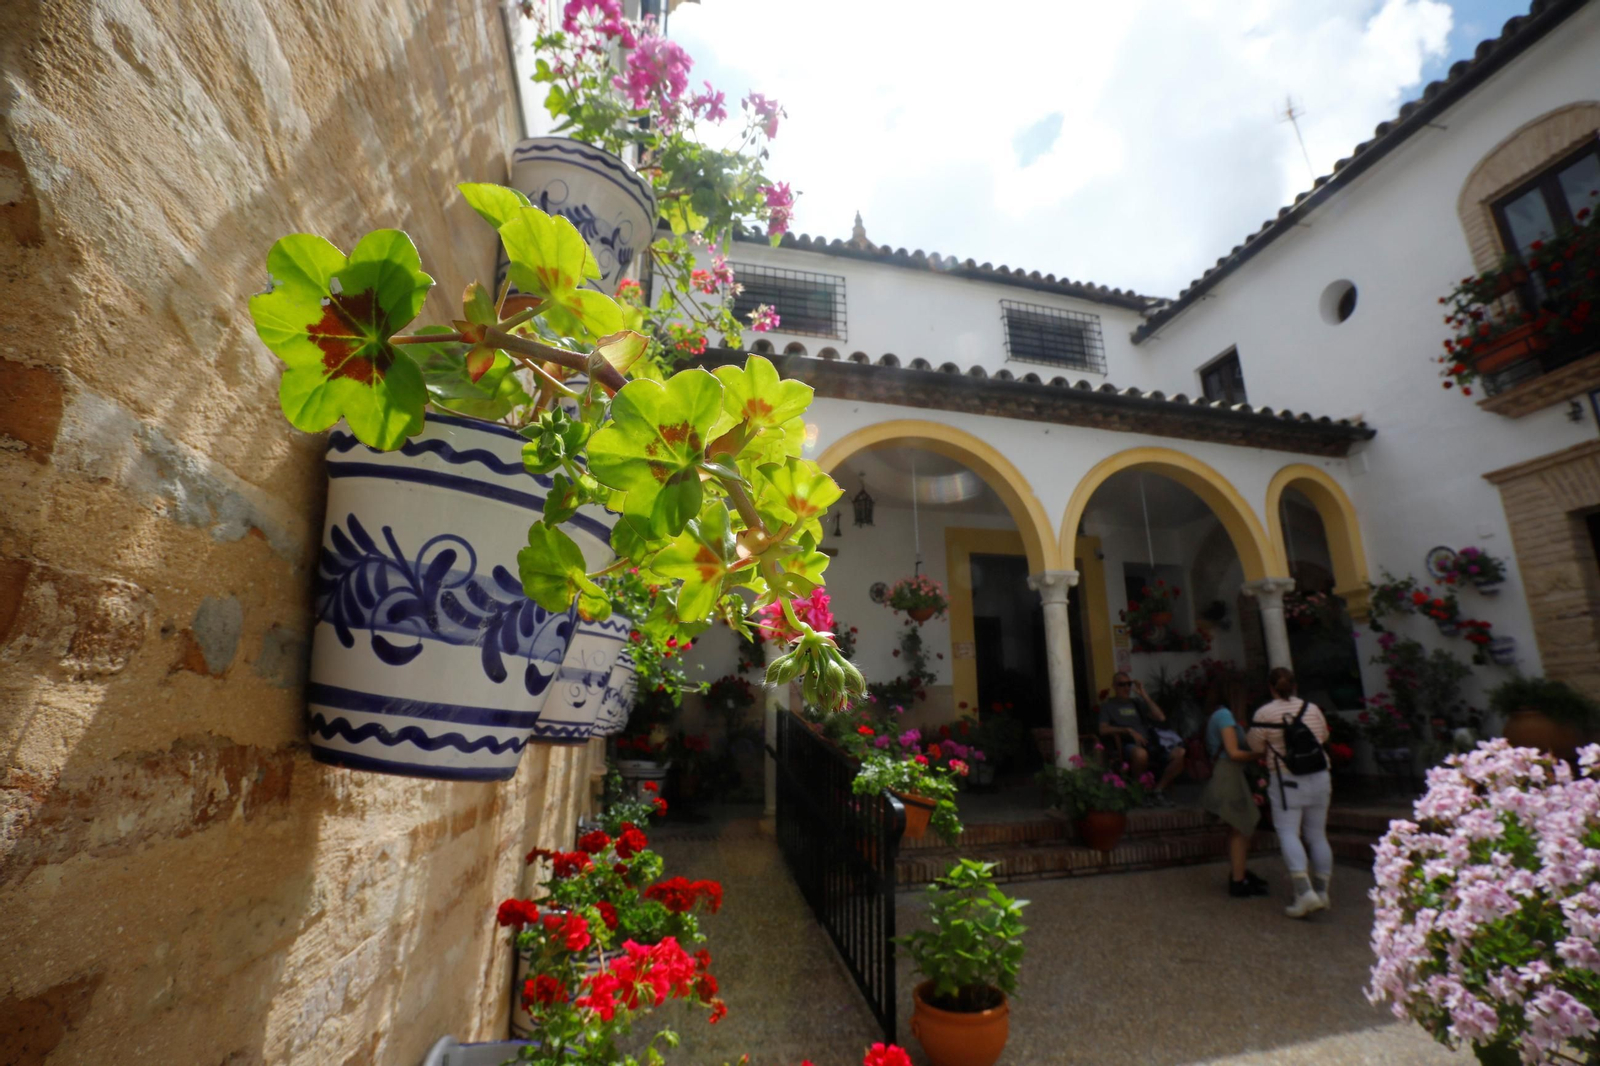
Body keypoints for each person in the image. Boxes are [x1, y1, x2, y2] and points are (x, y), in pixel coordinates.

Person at [1247, 667, 1333, 919]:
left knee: (1288, 832)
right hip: (1319, 776)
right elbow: (1323, 737)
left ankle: (1304, 893)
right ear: (1295, 686)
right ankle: (1322, 891)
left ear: (1271, 687)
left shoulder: (1265, 713)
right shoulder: (1313, 709)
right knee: (1318, 835)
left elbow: (1255, 745)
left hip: (1287, 780)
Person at [1198, 678, 1268, 897]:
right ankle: (1238, 880)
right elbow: (1234, 752)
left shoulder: (1220, 715)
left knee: (1240, 826)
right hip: (1228, 775)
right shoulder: (1224, 716)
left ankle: (1240, 874)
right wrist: (1263, 754)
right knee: (1241, 826)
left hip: (1230, 775)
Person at [1097, 672, 1186, 806]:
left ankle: (1157, 790)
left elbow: (1161, 717)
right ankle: (1141, 791)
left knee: (1180, 753)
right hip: (1129, 744)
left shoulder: (1137, 703)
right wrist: (1127, 730)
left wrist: (1143, 694)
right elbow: (1102, 729)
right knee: (1141, 754)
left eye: (1129, 684)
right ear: (1114, 686)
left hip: (1150, 743)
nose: (1126, 688)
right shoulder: (1108, 706)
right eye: (1122, 684)